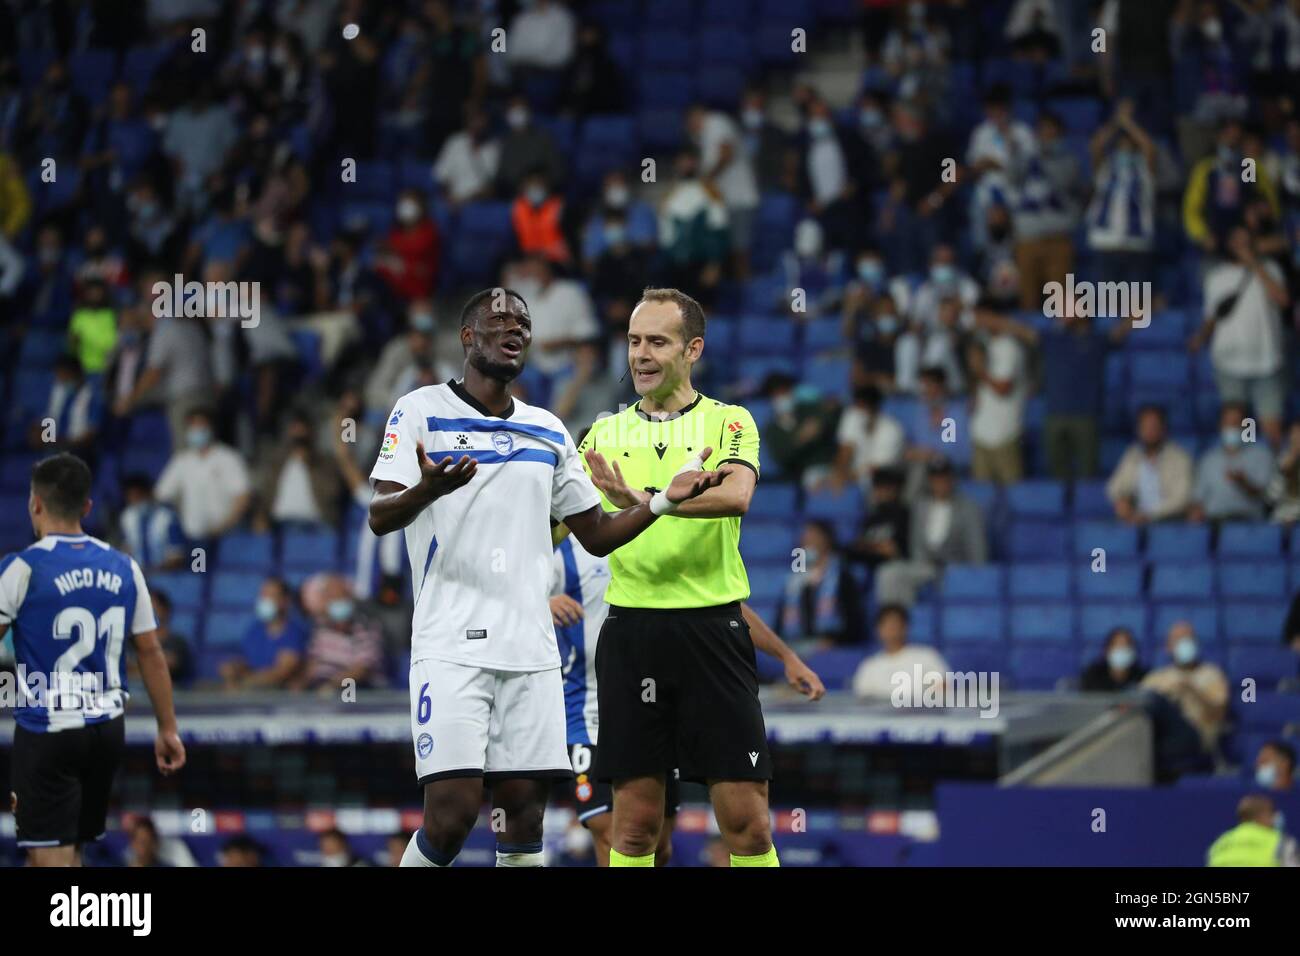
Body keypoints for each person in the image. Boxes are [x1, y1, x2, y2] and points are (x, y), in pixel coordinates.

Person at [370, 287, 725, 870]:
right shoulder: (420, 410)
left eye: (524, 325)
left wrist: (661, 502)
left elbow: (597, 534)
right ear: (467, 337)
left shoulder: (549, 430)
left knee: (525, 814)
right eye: (499, 321)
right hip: (451, 647)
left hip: (532, 654)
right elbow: (381, 515)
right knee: (453, 815)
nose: (515, 330)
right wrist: (426, 490)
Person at [574, 287, 780, 868]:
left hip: (714, 632)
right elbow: (555, 526)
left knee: (748, 823)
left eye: (657, 342)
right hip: (632, 635)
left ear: (692, 349)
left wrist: (646, 500)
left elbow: (736, 495)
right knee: (634, 828)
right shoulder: (602, 435)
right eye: (634, 341)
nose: (640, 354)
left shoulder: (728, 421)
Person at [548, 527, 822, 867]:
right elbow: (508, 592)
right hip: (591, 711)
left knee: (659, 846)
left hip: (663, 705)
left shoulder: (658, 533)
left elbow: (721, 604)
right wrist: (543, 601)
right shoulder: (567, 547)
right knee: (617, 831)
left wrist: (786, 656)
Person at [0, 453, 185, 866]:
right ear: (87, 506)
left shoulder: (21, 568)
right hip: (105, 731)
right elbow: (151, 652)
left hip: (49, 731)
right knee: (62, 852)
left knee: (52, 860)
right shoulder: (124, 566)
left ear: (35, 503)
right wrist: (167, 727)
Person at [1189, 224, 1288, 447]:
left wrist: (1254, 264)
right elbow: (1213, 316)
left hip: (1266, 362)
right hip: (1230, 363)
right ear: (1230, 244)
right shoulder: (1217, 277)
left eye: (1246, 240)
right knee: (1237, 427)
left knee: (1272, 429)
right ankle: (1240, 469)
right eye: (1237, 240)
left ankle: (1273, 473)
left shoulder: (1270, 269)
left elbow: (1282, 300)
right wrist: (1201, 337)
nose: (1242, 245)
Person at [875, 458, 987, 608]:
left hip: (954, 567)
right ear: (930, 481)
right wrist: (922, 563)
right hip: (926, 566)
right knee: (888, 573)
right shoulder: (921, 506)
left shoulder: (968, 509)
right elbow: (916, 543)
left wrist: (971, 576)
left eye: (943, 478)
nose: (940, 483)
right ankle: (899, 623)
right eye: (935, 479)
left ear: (951, 479)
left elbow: (977, 550)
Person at [153, 407, 252, 542]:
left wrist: (224, 527)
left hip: (227, 534)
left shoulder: (228, 458)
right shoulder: (181, 460)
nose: (196, 430)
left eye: (200, 425)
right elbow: (162, 494)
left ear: (211, 428)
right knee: (198, 563)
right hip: (193, 538)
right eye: (192, 427)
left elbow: (242, 497)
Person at [1141, 621, 1229, 768]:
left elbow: (1219, 713)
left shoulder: (1212, 674)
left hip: (1197, 738)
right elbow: (1139, 702)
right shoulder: (1157, 678)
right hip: (1161, 738)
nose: (1184, 644)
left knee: (1157, 701)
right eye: (1178, 640)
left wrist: (1191, 689)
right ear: (1168, 647)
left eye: (1188, 639)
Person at [776, 520, 863, 645]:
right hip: (796, 645)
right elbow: (779, 624)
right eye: (806, 540)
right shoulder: (792, 582)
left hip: (834, 646)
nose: (809, 544)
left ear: (827, 541)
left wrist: (835, 641)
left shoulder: (842, 577)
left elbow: (854, 620)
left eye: (814, 539)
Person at [1189, 402, 1278, 522]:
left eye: (1236, 423)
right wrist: (1196, 513)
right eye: (1227, 423)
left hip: (1248, 523)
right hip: (1214, 522)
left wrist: (1244, 483)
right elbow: (1198, 499)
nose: (1231, 427)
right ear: (1220, 425)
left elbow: (1269, 497)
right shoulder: (1208, 459)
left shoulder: (1262, 455)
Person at [295, 573, 385, 691]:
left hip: (353, 688)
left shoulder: (365, 628)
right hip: (321, 686)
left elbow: (361, 669)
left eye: (341, 597)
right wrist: (301, 683)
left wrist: (332, 686)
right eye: (332, 597)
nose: (337, 601)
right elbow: (313, 663)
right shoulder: (321, 629)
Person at [1106, 405, 1195, 524]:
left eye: (1154, 426)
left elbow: (1181, 500)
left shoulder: (1180, 458)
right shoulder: (1133, 455)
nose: (1149, 431)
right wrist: (1122, 499)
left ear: (1163, 429)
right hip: (1135, 521)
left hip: (1167, 522)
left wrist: (1148, 515)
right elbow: (1113, 486)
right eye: (1145, 426)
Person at [219, 577, 309, 691]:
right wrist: (232, 669)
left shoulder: (295, 633)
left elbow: (281, 673)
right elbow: (246, 662)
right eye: (262, 595)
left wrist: (244, 684)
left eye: (270, 595)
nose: (264, 600)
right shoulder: (254, 631)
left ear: (285, 601)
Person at [850, 604, 949, 701]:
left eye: (895, 624)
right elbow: (862, 699)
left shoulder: (926, 656)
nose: (891, 629)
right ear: (878, 629)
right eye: (886, 625)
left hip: (920, 714)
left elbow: (943, 688)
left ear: (905, 627)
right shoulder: (869, 666)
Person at [763, 373, 840, 490]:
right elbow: (781, 457)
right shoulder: (771, 430)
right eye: (777, 394)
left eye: (785, 392)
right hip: (803, 474)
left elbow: (830, 416)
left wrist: (820, 422)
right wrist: (799, 439)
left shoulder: (808, 409)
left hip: (832, 464)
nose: (782, 397)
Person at [831, 385, 905, 497]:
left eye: (861, 407)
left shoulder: (893, 429)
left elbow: (876, 467)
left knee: (872, 483)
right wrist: (839, 475)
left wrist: (847, 478)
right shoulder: (852, 417)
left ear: (872, 407)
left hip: (879, 478)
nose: (857, 412)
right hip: (852, 475)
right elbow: (845, 450)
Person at [117, 474, 187, 571]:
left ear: (149, 493)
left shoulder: (167, 517)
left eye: (139, 496)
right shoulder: (127, 517)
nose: (135, 501)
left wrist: (154, 571)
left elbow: (177, 557)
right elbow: (126, 550)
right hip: (138, 574)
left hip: (166, 575)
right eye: (131, 497)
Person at [1206, 794, 1299, 867]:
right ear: (1263, 815)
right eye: (1272, 812)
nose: (1276, 817)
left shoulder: (1220, 842)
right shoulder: (1280, 841)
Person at [1079, 627, 1148, 691]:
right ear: (1107, 650)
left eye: (1126, 645)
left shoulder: (1144, 678)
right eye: (1117, 645)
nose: (1121, 650)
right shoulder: (1092, 676)